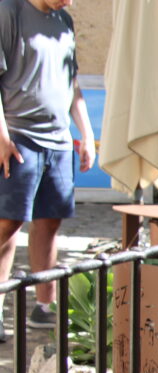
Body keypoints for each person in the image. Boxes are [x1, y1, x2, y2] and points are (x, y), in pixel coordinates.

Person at [0, 0, 95, 342]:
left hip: (57, 140)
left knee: (50, 221)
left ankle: (44, 306)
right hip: (18, 136)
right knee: (7, 223)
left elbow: (73, 82)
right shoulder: (8, 12)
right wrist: (2, 137)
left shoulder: (64, 21)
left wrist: (86, 134)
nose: (69, 2)